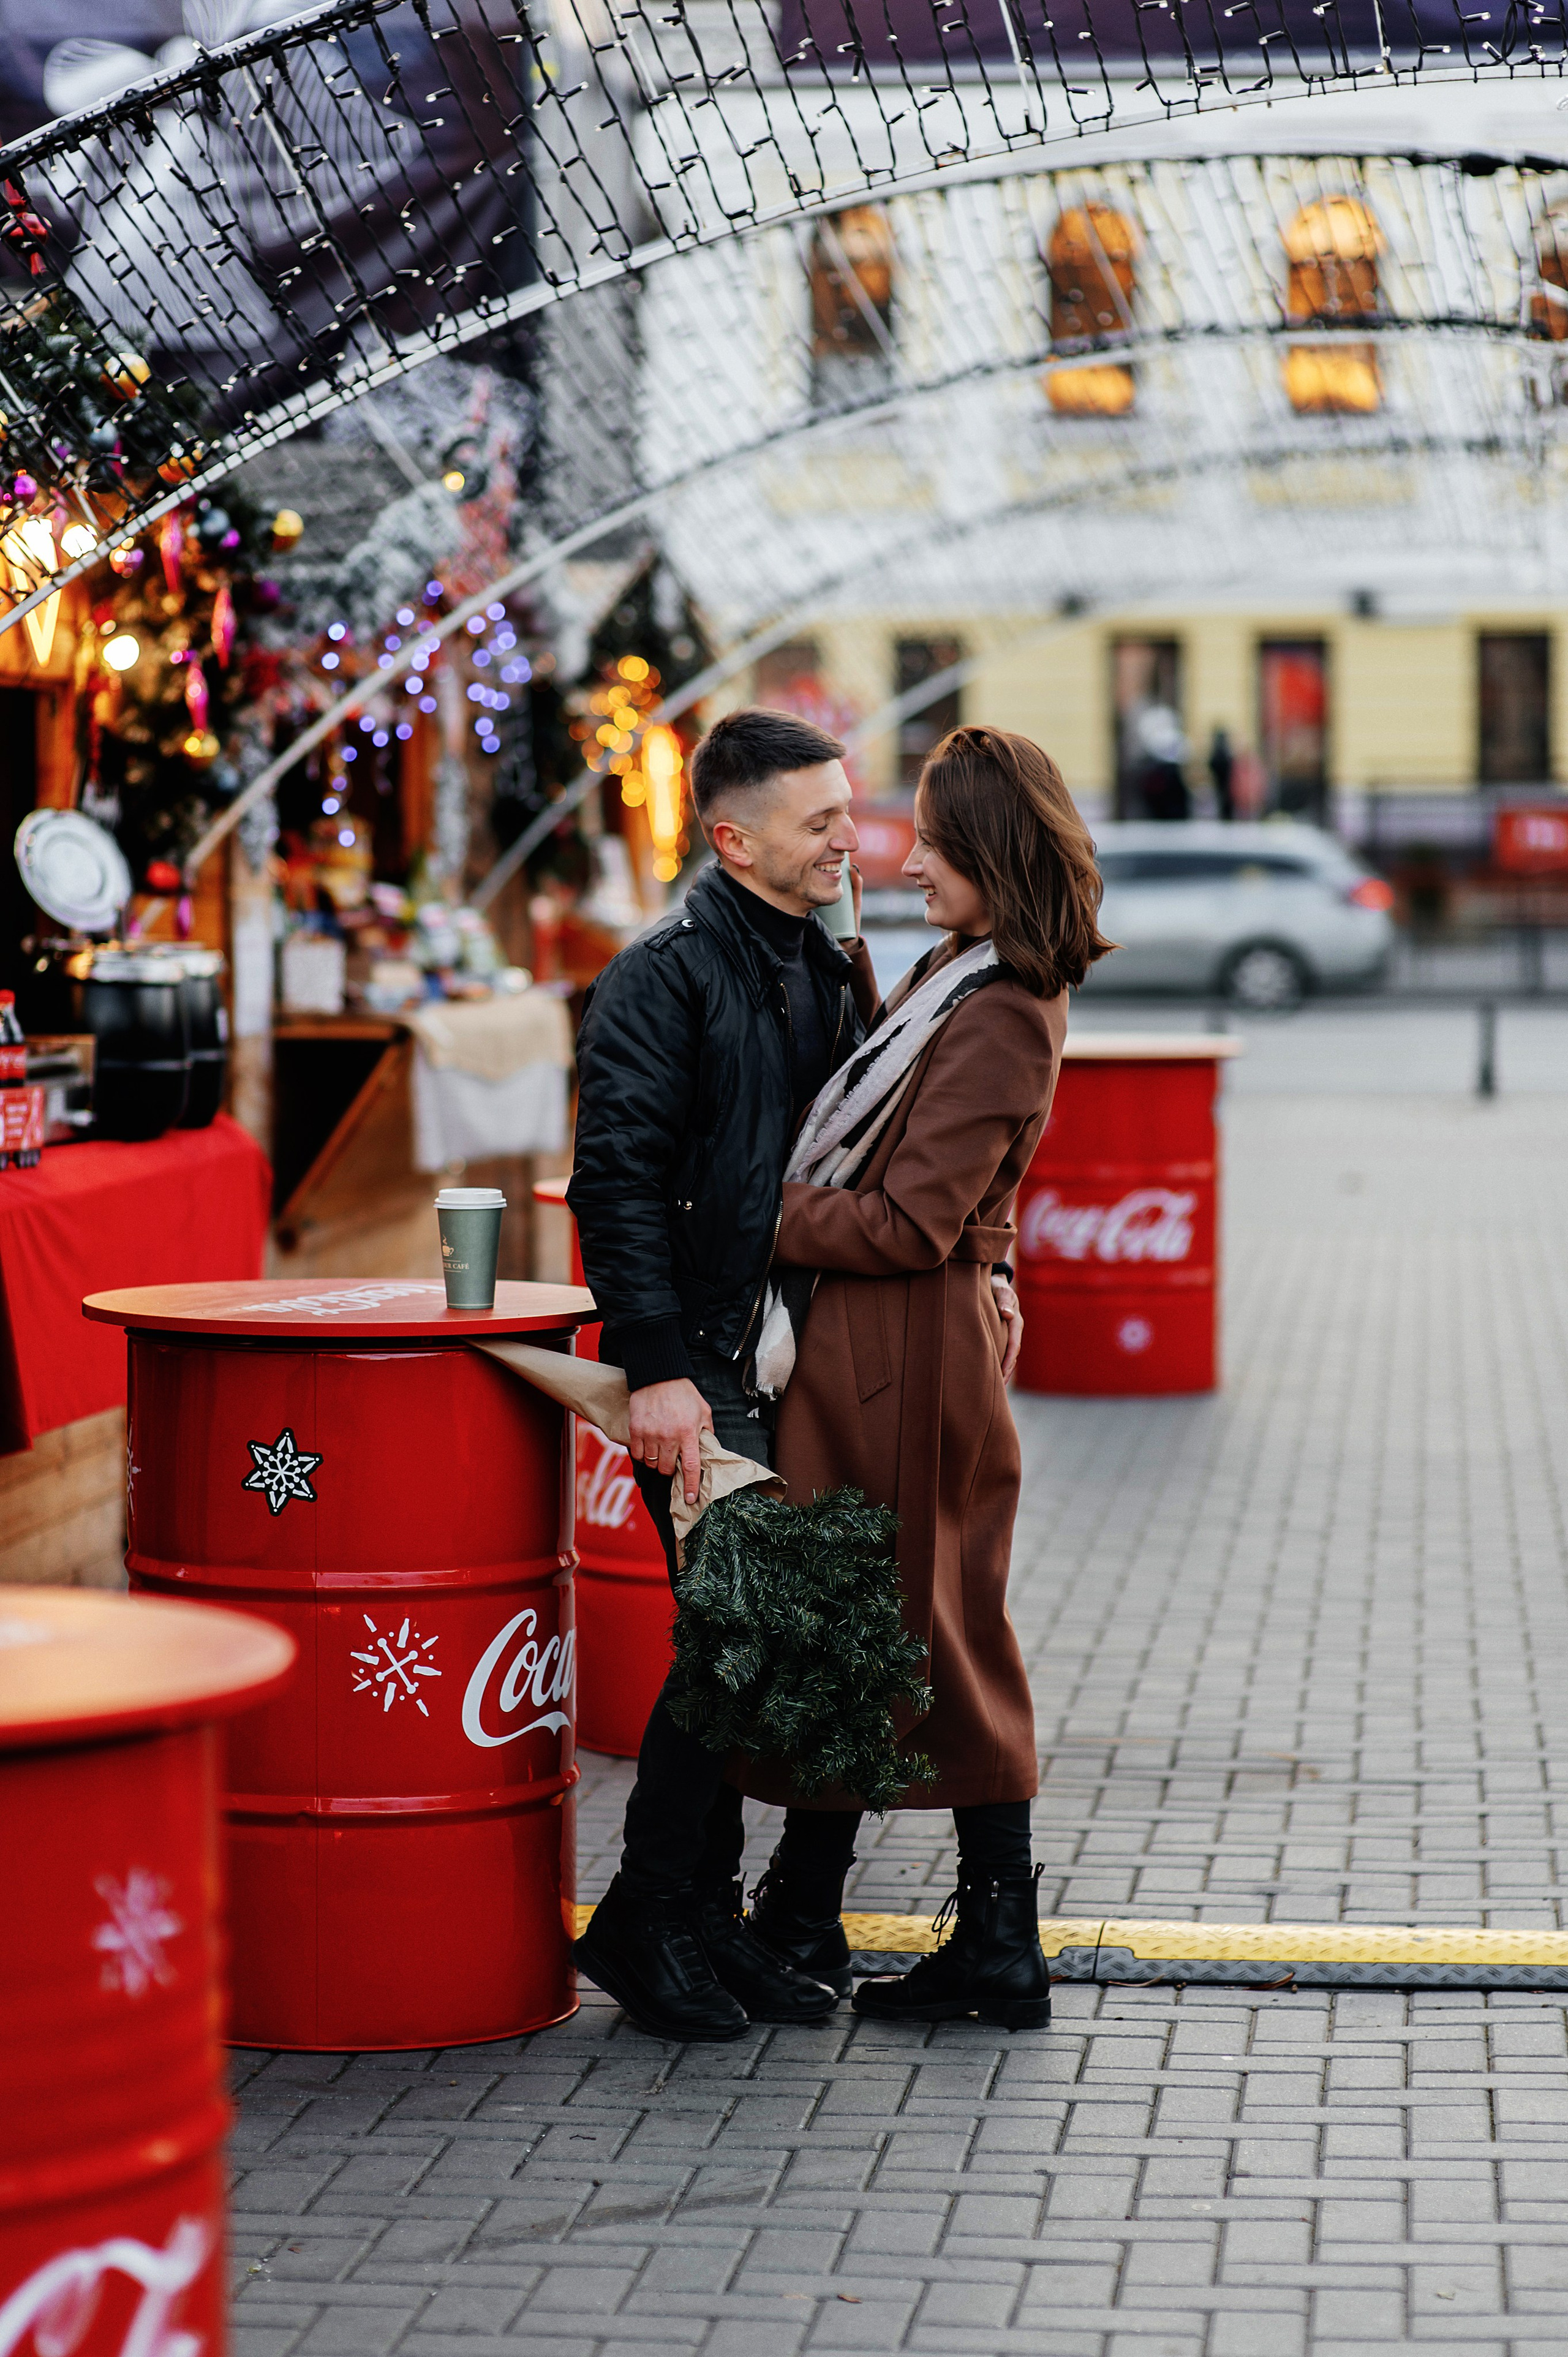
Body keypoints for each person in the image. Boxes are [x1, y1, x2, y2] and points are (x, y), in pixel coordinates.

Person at [734, 724, 1114, 2029]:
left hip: (907, 1356)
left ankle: (997, 1937)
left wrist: (744, 1214)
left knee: (941, 1637)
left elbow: (909, 1223)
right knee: (869, 1626)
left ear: (989, 855)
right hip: (884, 1353)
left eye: (934, 846)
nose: (906, 863)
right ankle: (804, 1908)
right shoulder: (961, 974)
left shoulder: (1002, 1010)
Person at [568, 706, 878, 2042]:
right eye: (818, 821)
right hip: (693, 1360)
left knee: (749, 1643)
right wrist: (652, 1367)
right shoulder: (663, 974)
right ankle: (646, 1914)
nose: (845, 839)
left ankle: (699, 1918)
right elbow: (614, 1179)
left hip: (774, 1355)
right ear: (730, 835)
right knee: (740, 1636)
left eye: (845, 812)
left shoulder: (820, 959)